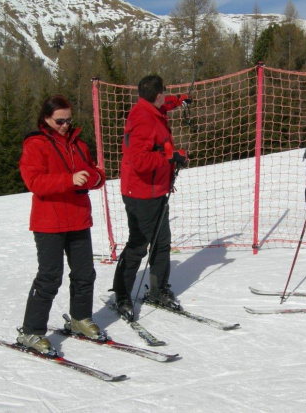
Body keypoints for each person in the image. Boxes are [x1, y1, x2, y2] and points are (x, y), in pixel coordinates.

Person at [17, 95, 106, 353]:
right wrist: (70, 180)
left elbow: (95, 174)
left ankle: (80, 318)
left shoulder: (78, 144)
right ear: (46, 118)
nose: (65, 125)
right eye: (59, 121)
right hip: (49, 222)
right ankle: (31, 332)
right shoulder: (35, 145)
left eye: (68, 120)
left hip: (78, 218)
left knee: (84, 273)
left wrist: (94, 178)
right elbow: (35, 183)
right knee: (49, 277)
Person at [111, 75, 192, 321]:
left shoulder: (151, 108)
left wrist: (178, 101)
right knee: (139, 245)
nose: (164, 99)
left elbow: (163, 106)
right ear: (156, 95)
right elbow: (139, 161)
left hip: (156, 189)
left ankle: (157, 290)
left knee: (161, 242)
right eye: (163, 95)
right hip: (141, 192)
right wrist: (169, 158)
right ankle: (122, 294)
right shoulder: (143, 120)